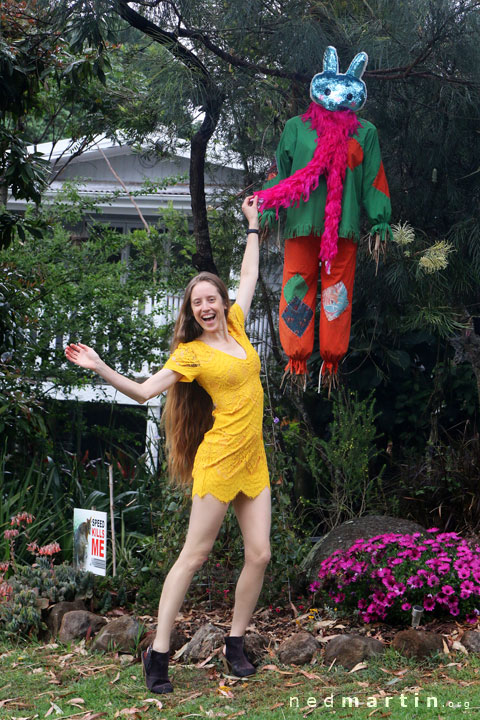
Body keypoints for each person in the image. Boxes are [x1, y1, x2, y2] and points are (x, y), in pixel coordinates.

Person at [65, 196, 271, 694]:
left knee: (260, 554)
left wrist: (253, 225)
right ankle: (158, 654)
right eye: (196, 302)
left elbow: (248, 275)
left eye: (210, 299)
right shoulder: (192, 354)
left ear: (221, 303)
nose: (205, 306)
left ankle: (235, 644)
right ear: (192, 310)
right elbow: (142, 390)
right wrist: (100, 367)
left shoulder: (239, 328)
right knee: (193, 556)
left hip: (253, 459)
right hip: (220, 460)